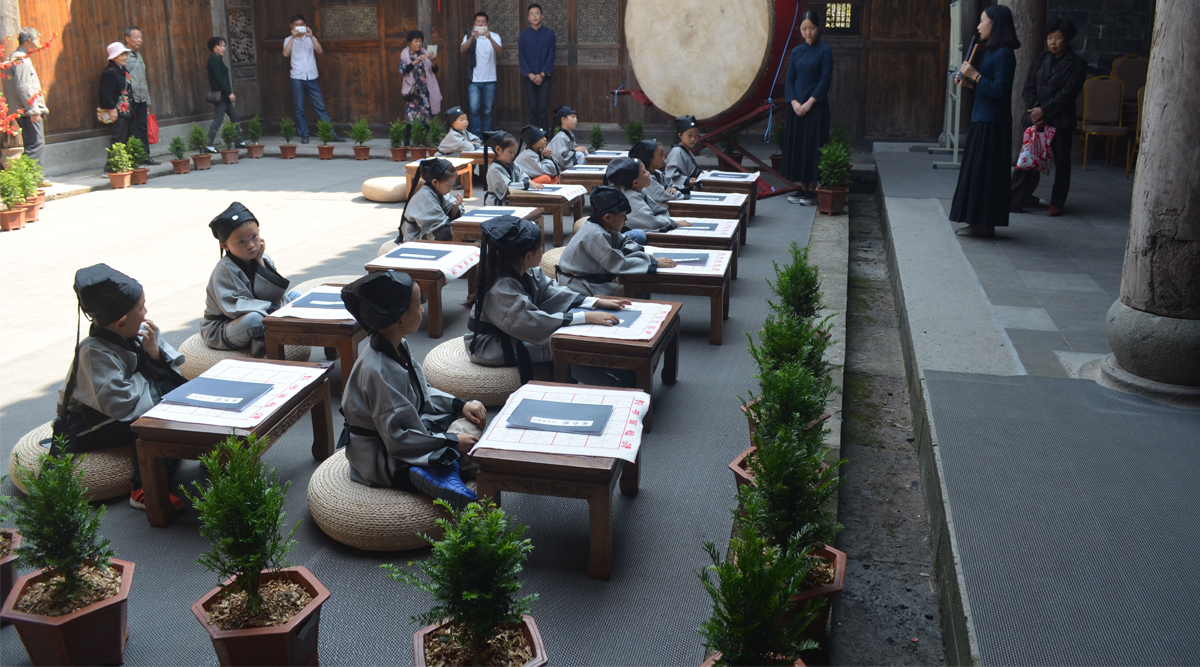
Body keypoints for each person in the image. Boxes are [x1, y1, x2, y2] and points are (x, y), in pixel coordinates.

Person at [340, 271, 485, 506]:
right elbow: (396, 438)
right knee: (471, 451)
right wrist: (449, 441)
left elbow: (422, 391)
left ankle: (446, 469)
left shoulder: (399, 345)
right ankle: (429, 472)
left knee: (470, 420)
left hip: (413, 427)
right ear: (399, 321)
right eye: (419, 305)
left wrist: (460, 404)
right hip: (382, 452)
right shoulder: (376, 369)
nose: (423, 310)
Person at [57, 264, 187, 511]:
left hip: (127, 401)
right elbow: (120, 404)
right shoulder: (93, 351)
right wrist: (154, 380)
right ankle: (143, 488)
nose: (146, 312)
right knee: (157, 421)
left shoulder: (136, 330)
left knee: (177, 391)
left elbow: (166, 369)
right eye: (141, 307)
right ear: (120, 322)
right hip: (90, 423)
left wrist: (154, 352)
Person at [464, 216, 627, 382]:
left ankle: (620, 372)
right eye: (540, 247)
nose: (543, 249)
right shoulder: (500, 290)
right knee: (563, 348)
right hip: (492, 345)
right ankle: (611, 384)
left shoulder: (526, 271)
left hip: (515, 330)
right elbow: (530, 323)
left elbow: (552, 292)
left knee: (575, 337)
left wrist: (592, 302)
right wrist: (585, 317)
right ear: (528, 256)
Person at [950, 6, 1020, 237]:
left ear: (995, 24)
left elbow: (1001, 90)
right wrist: (970, 83)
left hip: (994, 123)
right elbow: (984, 87)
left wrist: (975, 75)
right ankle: (976, 221)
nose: (979, 26)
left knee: (987, 174)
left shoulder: (1004, 54)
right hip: (981, 117)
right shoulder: (989, 51)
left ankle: (985, 224)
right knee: (976, 172)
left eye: (983, 21)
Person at [1009, 18, 1086, 217]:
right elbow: (1028, 87)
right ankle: (1015, 200)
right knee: (1026, 159)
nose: (1052, 42)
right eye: (1050, 38)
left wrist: (1044, 111)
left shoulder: (1077, 64)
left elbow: (1067, 94)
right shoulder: (1041, 58)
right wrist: (1036, 112)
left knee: (1061, 163)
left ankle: (1057, 203)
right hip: (1037, 119)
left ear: (1067, 40)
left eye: (1057, 38)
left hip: (1060, 121)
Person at [202, 202, 297, 357]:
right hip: (226, 326)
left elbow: (273, 296)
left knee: (297, 296)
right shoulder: (224, 269)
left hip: (265, 311)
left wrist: (260, 262)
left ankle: (261, 338)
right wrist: (275, 309)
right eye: (241, 242)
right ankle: (266, 336)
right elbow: (234, 308)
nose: (251, 245)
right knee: (254, 319)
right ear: (225, 245)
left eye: (254, 237)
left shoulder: (263, 258)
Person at [556, 185, 674, 297]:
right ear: (608, 217)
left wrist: (642, 254)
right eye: (623, 216)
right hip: (579, 285)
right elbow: (617, 263)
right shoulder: (594, 234)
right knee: (635, 289)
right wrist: (650, 262)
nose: (626, 220)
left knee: (635, 282)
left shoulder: (606, 226)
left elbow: (624, 242)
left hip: (592, 278)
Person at [782, 10, 833, 205]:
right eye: (804, 29)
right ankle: (803, 189)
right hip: (797, 108)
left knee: (813, 146)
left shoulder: (825, 50)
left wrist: (809, 103)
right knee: (799, 145)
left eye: (811, 28)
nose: (808, 33)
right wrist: (795, 103)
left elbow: (825, 80)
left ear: (818, 27)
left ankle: (813, 189)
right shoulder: (796, 51)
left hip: (816, 107)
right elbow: (790, 80)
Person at [283, 14, 341, 145]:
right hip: (297, 77)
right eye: (296, 24)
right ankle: (304, 135)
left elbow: (319, 51)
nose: (299, 27)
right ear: (291, 26)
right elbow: (285, 54)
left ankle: (329, 133)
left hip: (311, 77)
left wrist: (311, 36)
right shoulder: (288, 39)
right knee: (299, 109)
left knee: (320, 106)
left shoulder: (310, 38)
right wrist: (293, 37)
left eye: (301, 24)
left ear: (305, 25)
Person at [604, 157, 691, 235]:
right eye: (644, 171)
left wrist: (668, 221)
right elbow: (653, 224)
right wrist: (673, 223)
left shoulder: (640, 192)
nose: (648, 173)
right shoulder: (631, 199)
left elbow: (659, 211)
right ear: (635, 183)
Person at [5, 27, 48, 165]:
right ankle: (28, 177)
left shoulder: (18, 57)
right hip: (27, 110)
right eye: (37, 40)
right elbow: (23, 86)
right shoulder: (20, 59)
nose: (39, 44)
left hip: (24, 109)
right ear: (28, 41)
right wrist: (33, 109)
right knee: (36, 143)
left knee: (33, 143)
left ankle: (34, 177)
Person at [400, 158, 464, 242]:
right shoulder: (425, 196)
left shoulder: (438, 191)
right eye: (448, 185)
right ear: (435, 182)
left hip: (432, 232)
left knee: (462, 229)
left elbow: (446, 219)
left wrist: (455, 207)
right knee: (460, 232)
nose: (450, 188)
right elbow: (440, 228)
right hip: (416, 236)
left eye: (452, 184)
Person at [460, 11, 503, 135]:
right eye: (478, 21)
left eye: (483, 22)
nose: (480, 23)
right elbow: (462, 50)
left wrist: (489, 37)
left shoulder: (494, 36)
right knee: (473, 109)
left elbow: (499, 51)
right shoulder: (469, 36)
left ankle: (487, 136)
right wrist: (472, 37)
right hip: (474, 80)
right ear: (474, 23)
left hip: (490, 79)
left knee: (488, 111)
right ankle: (476, 136)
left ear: (487, 23)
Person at [123, 26, 158, 164]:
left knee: (143, 128)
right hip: (130, 99)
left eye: (141, 37)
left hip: (141, 98)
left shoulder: (138, 55)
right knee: (131, 129)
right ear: (127, 38)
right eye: (136, 37)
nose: (140, 40)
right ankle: (133, 158)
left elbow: (142, 78)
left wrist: (147, 99)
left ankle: (145, 156)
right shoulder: (124, 55)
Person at [206, 36, 246, 153]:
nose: (223, 48)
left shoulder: (218, 59)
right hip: (222, 96)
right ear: (213, 47)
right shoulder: (213, 61)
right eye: (220, 45)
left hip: (224, 96)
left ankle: (239, 141)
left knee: (234, 117)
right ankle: (208, 144)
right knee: (218, 120)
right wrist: (229, 93)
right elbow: (219, 79)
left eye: (224, 45)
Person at [519, 3, 556, 130]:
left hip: (544, 76)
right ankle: (534, 138)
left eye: (537, 13)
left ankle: (545, 137)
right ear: (528, 18)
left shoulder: (549, 34)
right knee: (533, 108)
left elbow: (551, 55)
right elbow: (521, 55)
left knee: (543, 108)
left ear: (542, 16)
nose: (534, 16)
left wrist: (542, 74)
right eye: (531, 14)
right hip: (529, 76)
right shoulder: (523, 35)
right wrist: (530, 74)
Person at [484, 131, 543, 206]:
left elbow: (522, 175)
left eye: (514, 151)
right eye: (510, 152)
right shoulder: (494, 169)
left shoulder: (511, 164)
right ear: (498, 150)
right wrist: (526, 183)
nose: (513, 155)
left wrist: (526, 181)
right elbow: (508, 187)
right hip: (497, 206)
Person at [400, 30, 442, 122]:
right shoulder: (405, 55)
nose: (419, 44)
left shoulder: (425, 53)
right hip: (413, 92)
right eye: (416, 41)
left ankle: (423, 136)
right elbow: (402, 70)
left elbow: (435, 71)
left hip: (425, 91)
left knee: (427, 118)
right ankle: (408, 136)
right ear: (409, 42)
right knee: (409, 119)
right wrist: (415, 61)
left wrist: (434, 61)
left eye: (420, 41)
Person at [99, 42, 134, 149]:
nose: (125, 57)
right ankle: (113, 165)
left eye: (125, 55)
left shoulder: (123, 71)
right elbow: (106, 93)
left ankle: (124, 164)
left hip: (126, 111)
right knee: (118, 138)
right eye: (122, 55)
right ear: (114, 57)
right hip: (117, 111)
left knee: (126, 138)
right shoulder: (110, 72)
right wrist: (112, 109)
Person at [629, 139, 681, 204]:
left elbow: (670, 184)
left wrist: (673, 188)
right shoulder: (646, 178)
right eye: (661, 155)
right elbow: (666, 196)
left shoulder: (658, 173)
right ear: (649, 157)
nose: (663, 158)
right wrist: (677, 193)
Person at [665, 115, 702, 191]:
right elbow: (671, 175)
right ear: (680, 135)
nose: (693, 139)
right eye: (689, 135)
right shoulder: (676, 152)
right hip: (681, 191)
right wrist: (687, 180)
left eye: (696, 136)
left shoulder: (686, 150)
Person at [547, 105, 587, 171]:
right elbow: (561, 159)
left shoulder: (570, 134)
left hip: (568, 162)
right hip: (559, 169)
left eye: (576, 117)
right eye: (573, 117)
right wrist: (574, 150)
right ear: (563, 119)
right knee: (580, 155)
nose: (576, 119)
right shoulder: (560, 137)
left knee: (584, 151)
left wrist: (577, 150)